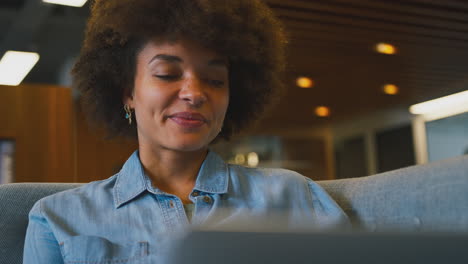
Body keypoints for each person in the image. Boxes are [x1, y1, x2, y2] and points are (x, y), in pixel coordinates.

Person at [23, 0, 349, 263]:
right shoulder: (58, 219)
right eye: (166, 73)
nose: (194, 93)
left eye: (215, 80)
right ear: (127, 92)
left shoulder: (293, 197)